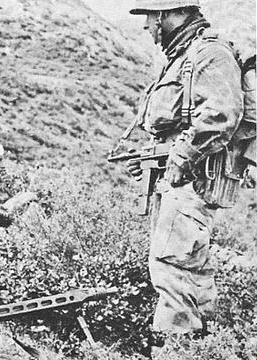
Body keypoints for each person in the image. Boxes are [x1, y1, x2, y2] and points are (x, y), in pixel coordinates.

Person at [126, 0, 243, 345]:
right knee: (192, 269)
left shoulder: (209, 54)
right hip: (176, 179)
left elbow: (221, 115)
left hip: (192, 179)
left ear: (166, 14)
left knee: (171, 266)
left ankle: (176, 348)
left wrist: (180, 158)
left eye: (149, 17)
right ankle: (206, 347)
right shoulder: (183, 56)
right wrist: (149, 157)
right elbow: (173, 125)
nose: (146, 26)